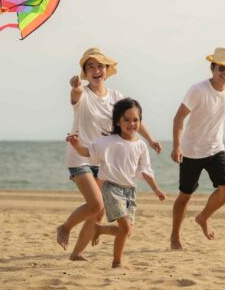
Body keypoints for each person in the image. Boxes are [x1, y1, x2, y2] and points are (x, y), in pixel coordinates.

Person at [56, 48, 162, 261]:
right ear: (85, 72)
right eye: (91, 67)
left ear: (106, 70)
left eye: (100, 66)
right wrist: (75, 88)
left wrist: (150, 140)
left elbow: (133, 118)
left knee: (98, 213)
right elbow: (75, 96)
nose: (96, 70)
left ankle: (76, 254)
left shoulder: (116, 97)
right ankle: (65, 227)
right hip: (81, 156)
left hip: (103, 160)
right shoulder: (82, 93)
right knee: (96, 204)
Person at [67, 98, 166, 268]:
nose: (131, 124)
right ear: (118, 122)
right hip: (111, 188)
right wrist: (76, 146)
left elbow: (145, 170)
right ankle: (117, 262)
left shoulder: (141, 146)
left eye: (136, 120)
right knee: (125, 229)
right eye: (126, 119)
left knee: (127, 231)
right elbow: (88, 152)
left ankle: (99, 229)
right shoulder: (107, 142)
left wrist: (156, 189)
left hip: (130, 192)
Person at [170, 47, 225, 250]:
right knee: (185, 195)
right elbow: (179, 117)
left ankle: (203, 217)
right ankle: (175, 237)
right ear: (212, 68)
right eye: (222, 69)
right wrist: (177, 146)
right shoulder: (197, 90)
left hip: (216, 148)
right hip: (191, 151)